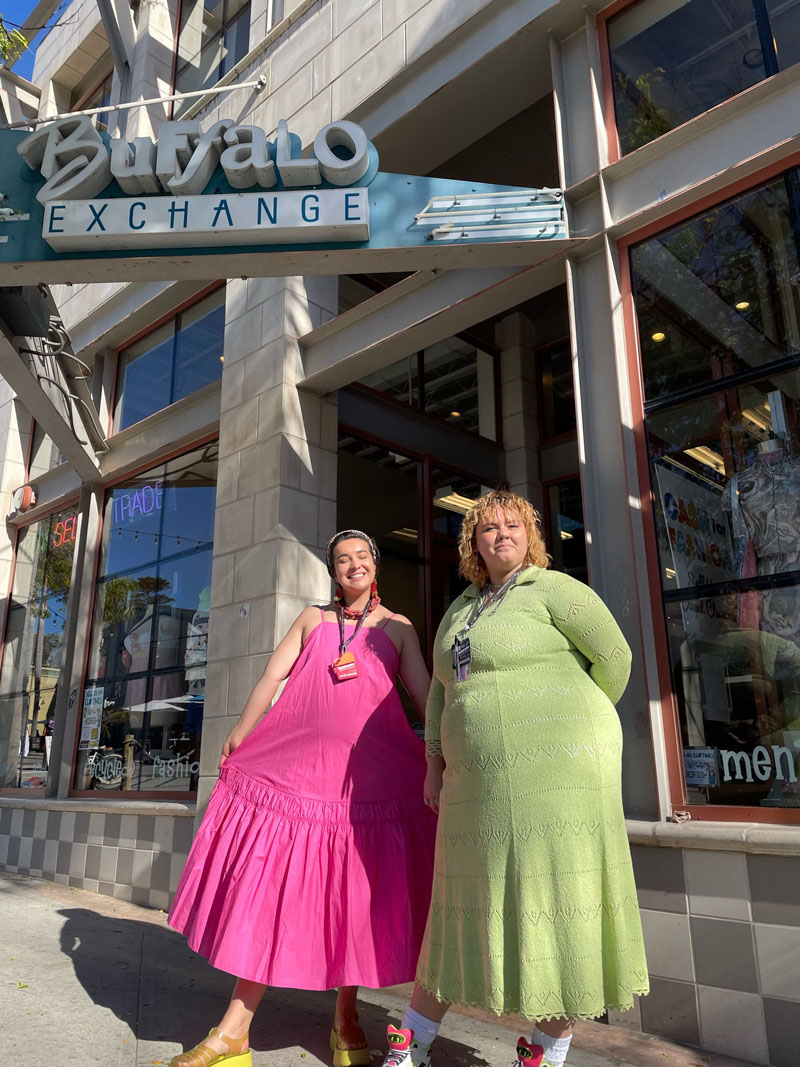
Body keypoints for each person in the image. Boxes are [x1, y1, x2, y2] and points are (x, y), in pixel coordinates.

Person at [380, 490, 648, 1067]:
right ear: (473, 542)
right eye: (488, 528)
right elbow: (439, 696)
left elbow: (616, 659)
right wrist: (433, 761)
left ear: (530, 535)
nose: (501, 534)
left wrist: (565, 722)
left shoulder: (556, 589)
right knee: (459, 899)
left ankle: (546, 1052)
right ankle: (415, 1041)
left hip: (559, 776)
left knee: (556, 894)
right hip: (475, 783)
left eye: (512, 525)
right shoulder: (459, 610)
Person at [168, 530, 437, 1067]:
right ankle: (233, 1033)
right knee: (278, 894)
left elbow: (427, 698)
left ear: (374, 565)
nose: (352, 565)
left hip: (373, 784)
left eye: (361, 556)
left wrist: (440, 759)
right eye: (342, 559)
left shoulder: (399, 628)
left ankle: (345, 1019)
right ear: (333, 573)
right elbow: (274, 673)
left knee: (356, 900)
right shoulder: (314, 620)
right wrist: (242, 732)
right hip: (302, 780)